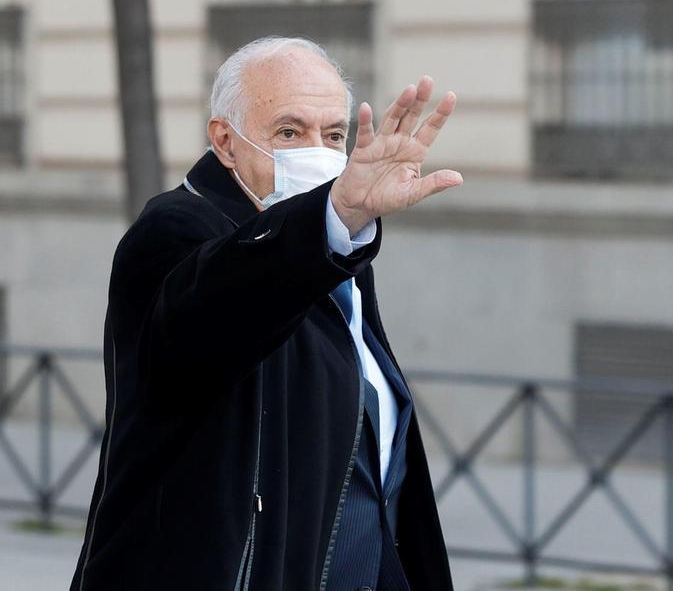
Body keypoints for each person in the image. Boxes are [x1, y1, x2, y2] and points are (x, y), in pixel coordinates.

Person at [69, 36, 462, 590]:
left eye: (332, 135)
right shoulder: (175, 231)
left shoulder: (337, 246)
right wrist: (333, 218)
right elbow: (217, 315)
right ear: (226, 142)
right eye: (289, 132)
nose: (317, 153)